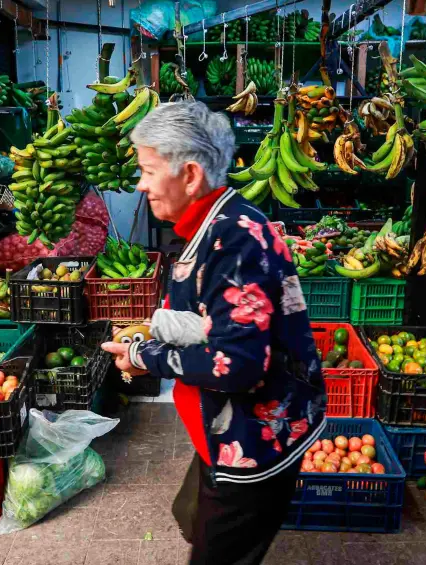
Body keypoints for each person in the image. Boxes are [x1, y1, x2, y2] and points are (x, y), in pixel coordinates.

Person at [101, 101, 327, 565]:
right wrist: (158, 331)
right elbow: (214, 321)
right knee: (192, 516)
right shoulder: (214, 224)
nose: (141, 185)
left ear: (189, 175)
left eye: (147, 170)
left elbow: (237, 366)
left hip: (255, 435)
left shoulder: (235, 239)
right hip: (224, 426)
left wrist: (145, 356)